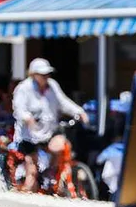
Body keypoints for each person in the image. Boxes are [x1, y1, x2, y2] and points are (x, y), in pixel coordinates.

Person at [12, 58, 89, 192]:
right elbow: (19, 109)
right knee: (32, 172)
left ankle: (52, 176)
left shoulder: (52, 85)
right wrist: (28, 118)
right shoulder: (24, 88)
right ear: (33, 74)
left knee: (62, 146)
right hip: (29, 136)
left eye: (47, 74)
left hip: (49, 131)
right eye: (42, 74)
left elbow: (63, 102)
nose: (45, 77)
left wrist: (79, 112)